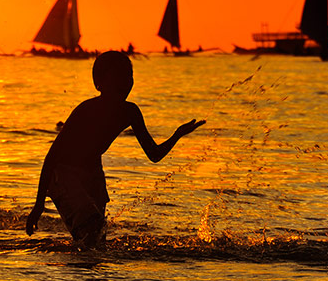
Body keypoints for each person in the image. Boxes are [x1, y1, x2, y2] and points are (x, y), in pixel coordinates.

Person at [26, 51, 205, 249]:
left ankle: (88, 276)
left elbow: (154, 155)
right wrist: (38, 205)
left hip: (93, 172)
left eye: (129, 76)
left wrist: (177, 135)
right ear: (99, 83)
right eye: (118, 76)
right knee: (91, 228)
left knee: (97, 238)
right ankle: (75, 272)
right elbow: (52, 157)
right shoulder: (86, 110)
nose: (125, 82)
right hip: (64, 173)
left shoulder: (130, 112)